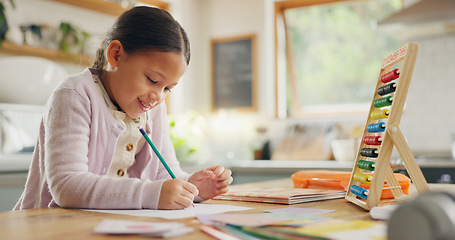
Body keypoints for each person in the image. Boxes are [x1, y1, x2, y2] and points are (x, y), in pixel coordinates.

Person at [14, 6, 233, 210]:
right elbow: (67, 185)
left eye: (168, 89)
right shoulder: (75, 94)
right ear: (116, 55)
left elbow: (163, 173)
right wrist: (149, 194)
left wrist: (192, 187)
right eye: (152, 79)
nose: (158, 96)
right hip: (48, 226)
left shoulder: (153, 109)